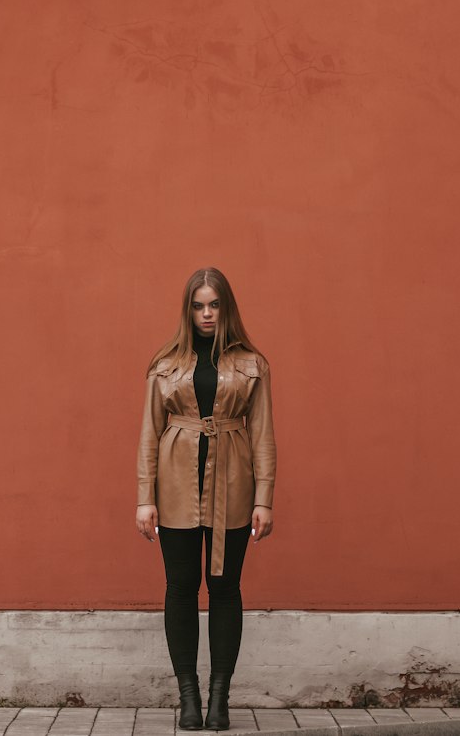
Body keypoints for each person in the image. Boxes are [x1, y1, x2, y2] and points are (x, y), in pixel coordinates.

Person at [136, 267, 277, 731]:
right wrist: (145, 497)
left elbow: (262, 435)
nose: (207, 313)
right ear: (188, 310)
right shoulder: (165, 364)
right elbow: (149, 435)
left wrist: (264, 498)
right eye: (198, 305)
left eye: (214, 304)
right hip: (175, 485)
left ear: (227, 307)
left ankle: (220, 700)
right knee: (180, 589)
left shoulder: (252, 364)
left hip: (232, 485)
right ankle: (189, 699)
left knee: (225, 589)